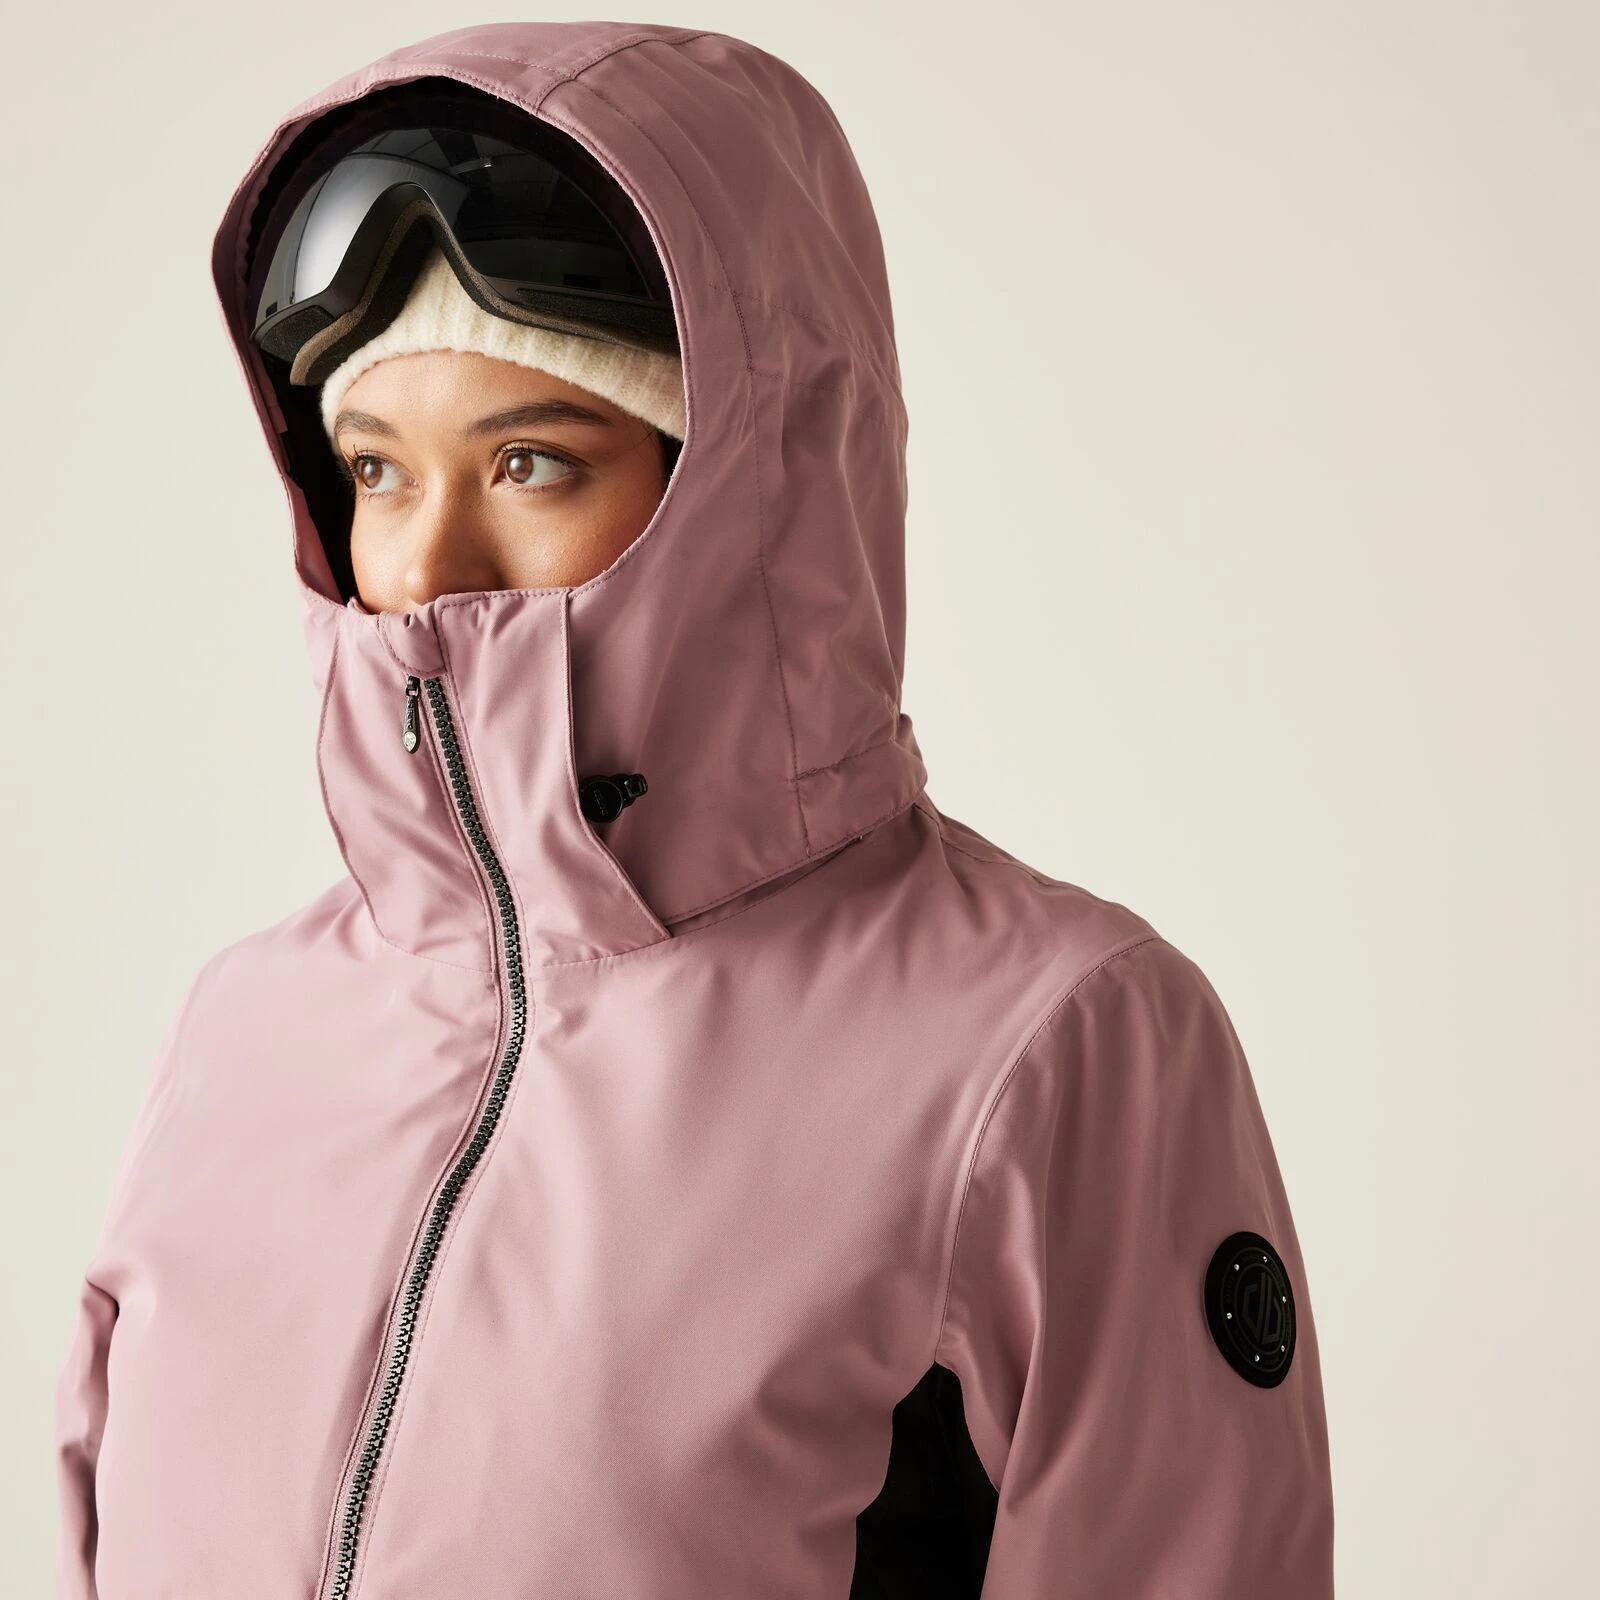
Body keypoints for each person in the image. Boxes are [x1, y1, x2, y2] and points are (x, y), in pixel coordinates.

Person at [53, 21, 1336, 1600]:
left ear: (751, 488)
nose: (429, 567)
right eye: (376, 470)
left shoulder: (1056, 1044)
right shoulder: (249, 1027)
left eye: (531, 460)